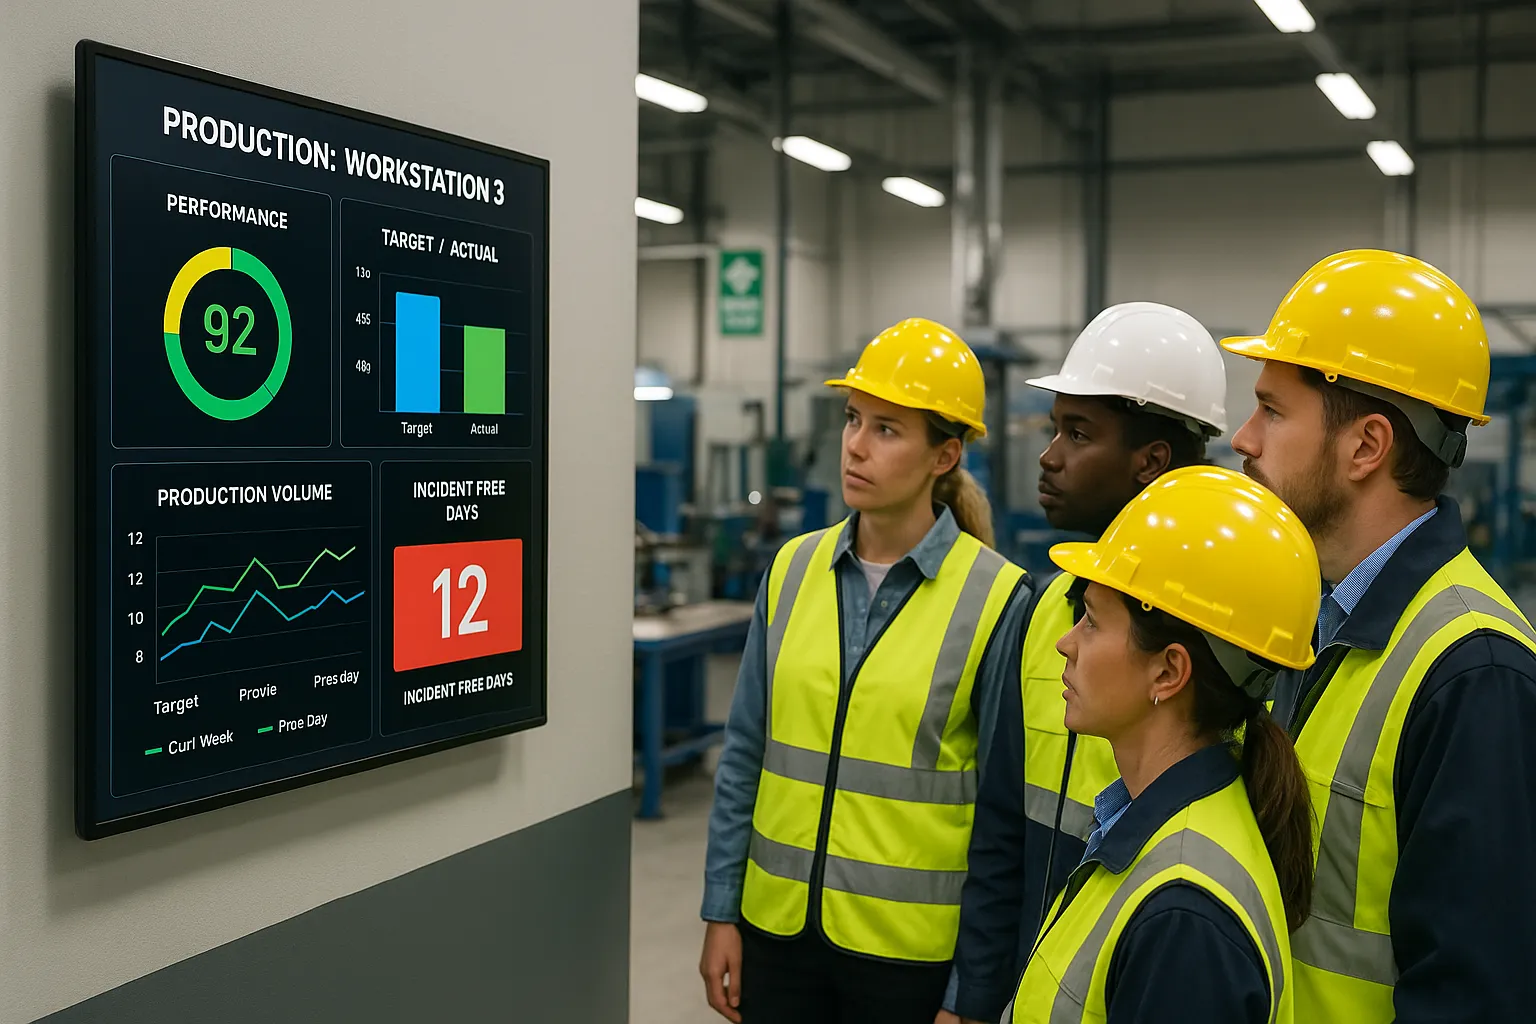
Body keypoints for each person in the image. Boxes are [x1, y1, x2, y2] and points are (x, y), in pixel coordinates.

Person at [1222, 248, 1536, 1023]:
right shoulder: (1308, 614)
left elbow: (1476, 994)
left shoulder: (1476, 673)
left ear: (1366, 446)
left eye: (1272, 410)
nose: (1242, 438)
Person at [698, 317, 1032, 1024]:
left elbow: (1000, 821)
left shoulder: (997, 598)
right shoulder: (791, 571)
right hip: (777, 933)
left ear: (945, 455)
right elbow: (745, 758)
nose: (855, 444)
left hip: (906, 960)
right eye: (854, 419)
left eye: (887, 429)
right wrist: (721, 911)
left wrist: (972, 989)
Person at [948, 302, 1230, 1021]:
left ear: (1152, 462)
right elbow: (1003, 827)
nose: (1049, 456)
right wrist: (975, 997)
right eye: (1054, 430)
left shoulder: (1219, 634)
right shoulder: (1044, 611)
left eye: (1078, 434)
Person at [1005, 465, 1318, 1024]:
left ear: (1169, 672)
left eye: (1093, 622)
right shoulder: (1158, 830)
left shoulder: (1183, 917)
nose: (1064, 642)